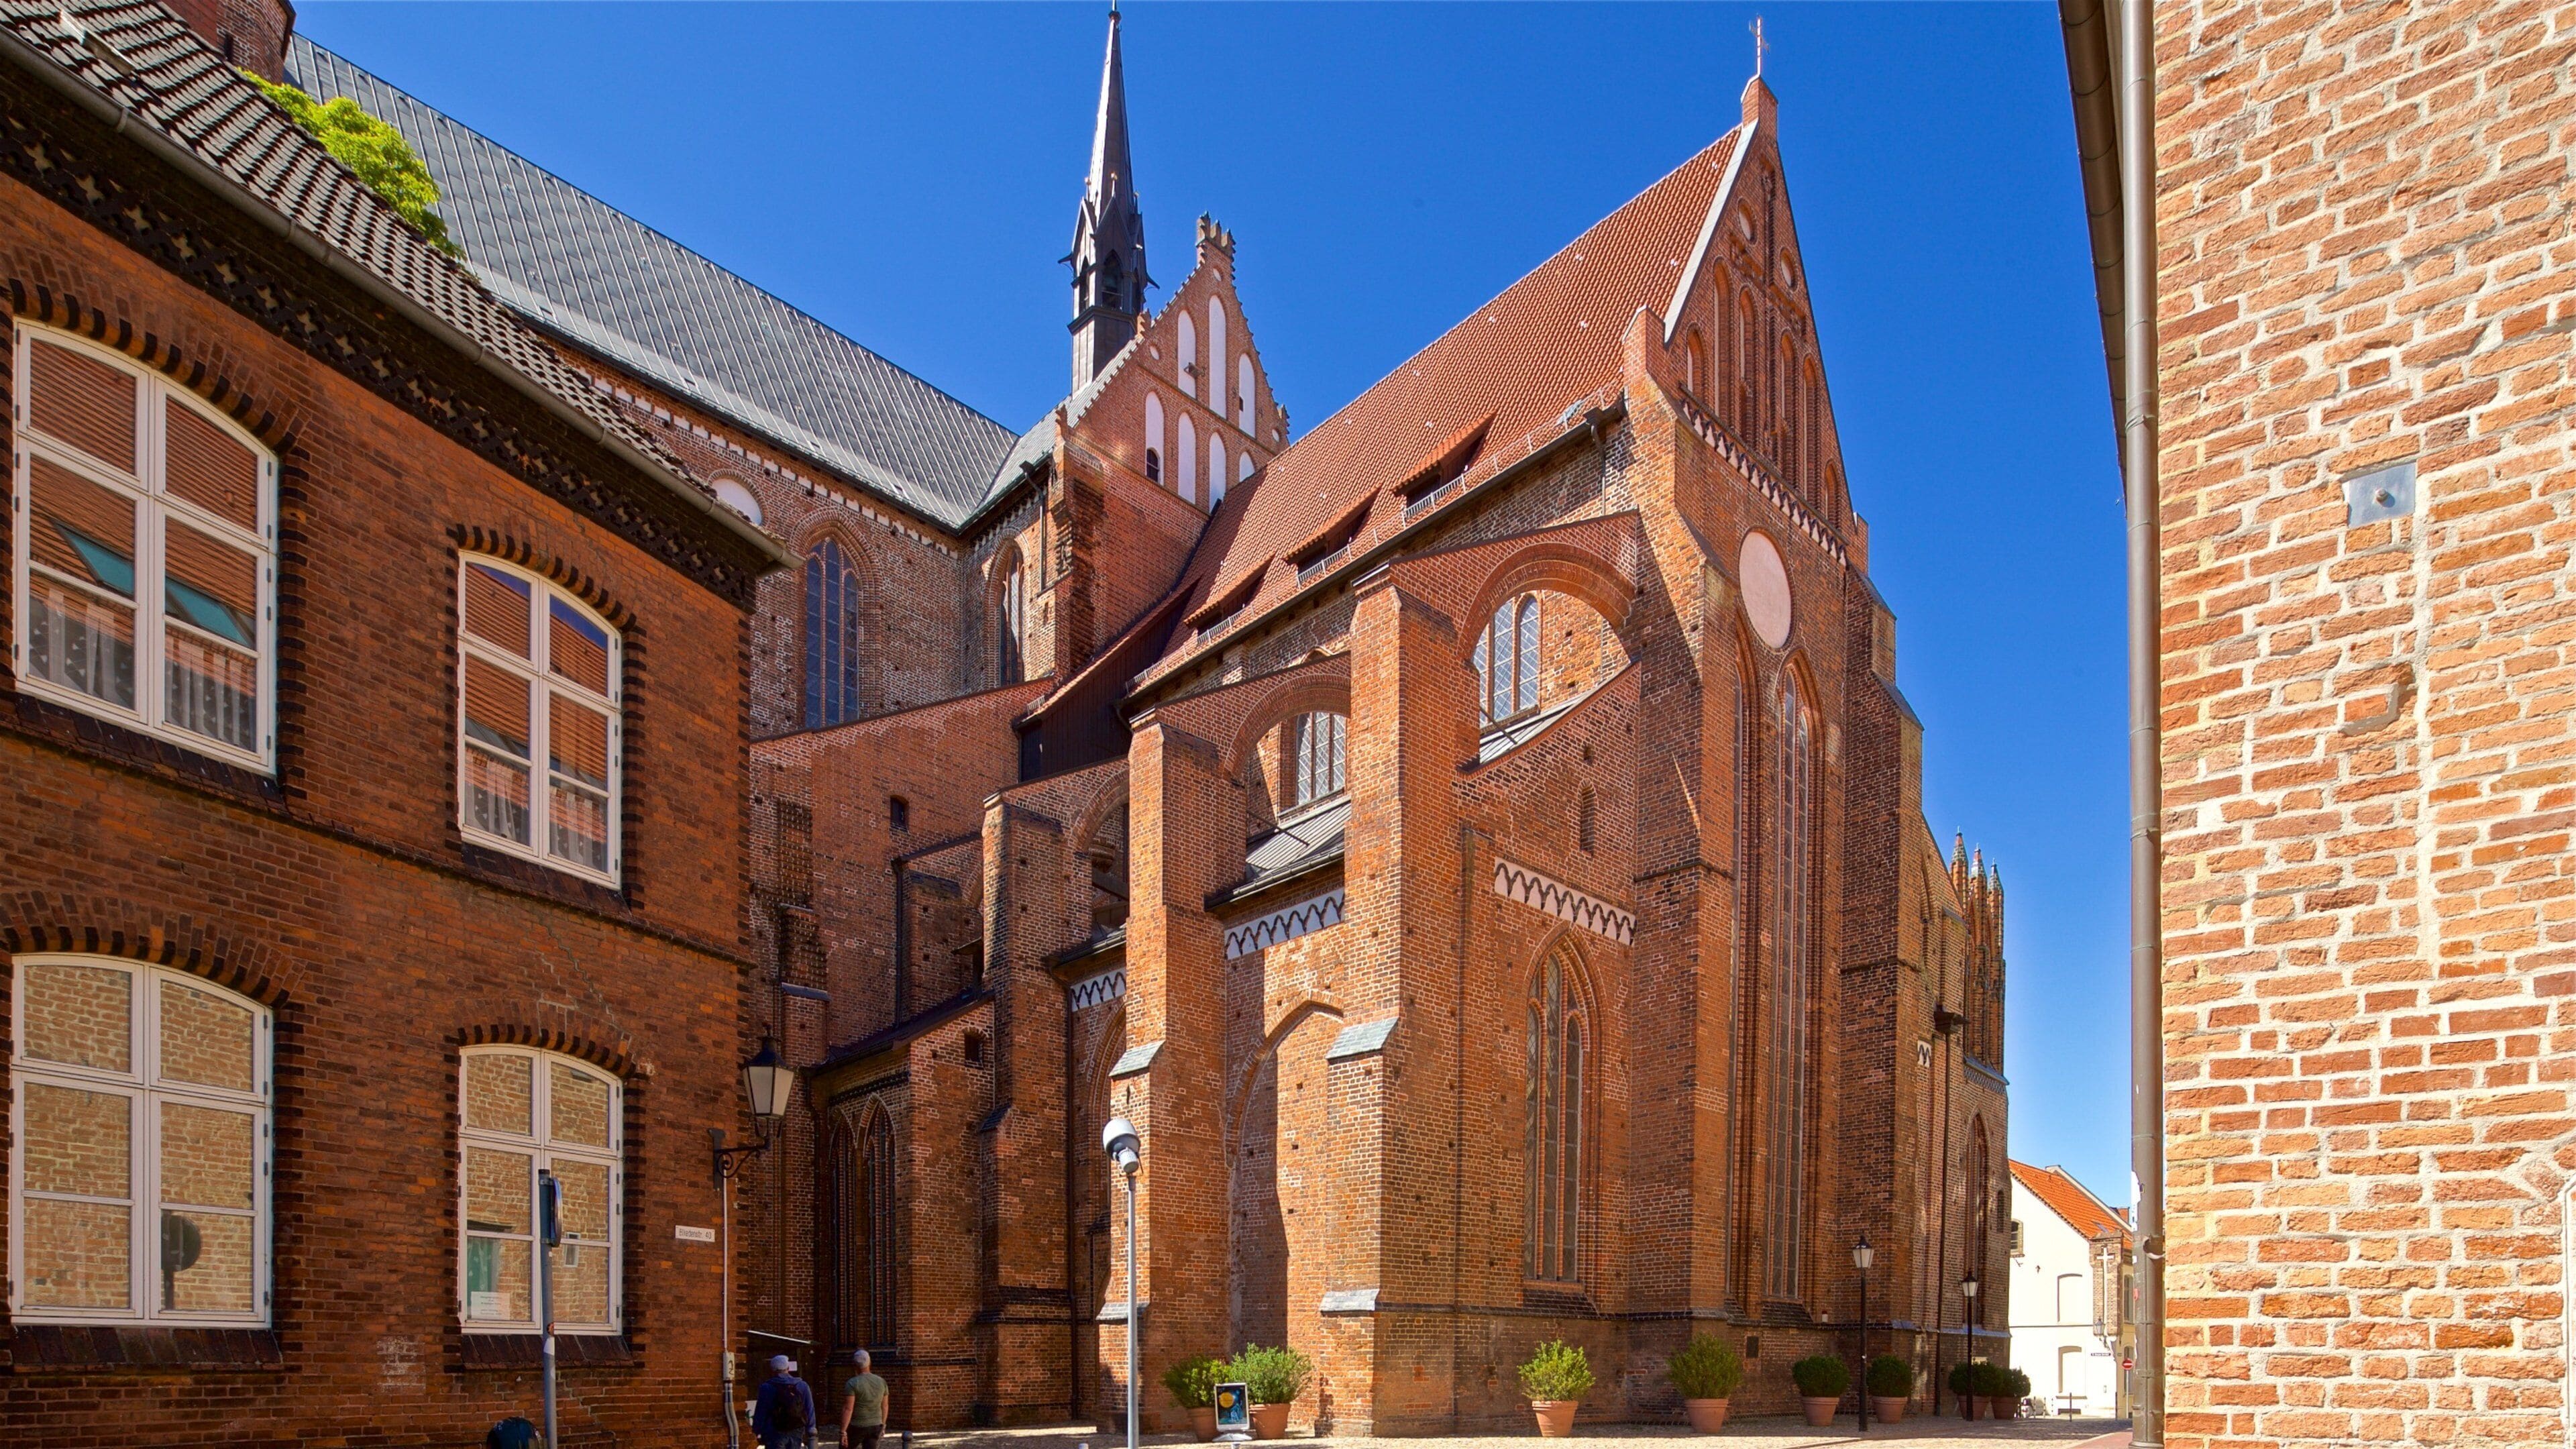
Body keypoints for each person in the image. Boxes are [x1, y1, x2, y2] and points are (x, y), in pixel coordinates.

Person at [752, 1354, 818, 1449]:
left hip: (774, 1430)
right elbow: (809, 1409)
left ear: (773, 1370)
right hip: (796, 1429)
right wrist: (811, 1429)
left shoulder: (766, 1387)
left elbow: (761, 1412)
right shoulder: (802, 1385)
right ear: (788, 1368)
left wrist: (756, 1431)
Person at [841, 1348, 890, 1449]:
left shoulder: (852, 1383)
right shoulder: (881, 1382)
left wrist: (843, 1431)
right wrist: (883, 1425)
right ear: (869, 1363)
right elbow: (885, 1406)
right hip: (876, 1424)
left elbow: (848, 1409)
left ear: (855, 1365)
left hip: (857, 1425)